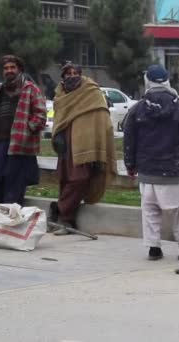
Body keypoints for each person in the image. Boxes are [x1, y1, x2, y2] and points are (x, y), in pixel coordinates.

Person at [123, 64, 179, 261]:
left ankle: (153, 248)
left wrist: (130, 164)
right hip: (174, 170)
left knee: (149, 210)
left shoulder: (137, 110)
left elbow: (129, 139)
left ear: (147, 82)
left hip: (147, 169)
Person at [0, 55, 47, 229]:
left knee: (13, 182)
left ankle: (7, 220)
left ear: (19, 69)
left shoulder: (30, 88)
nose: (9, 71)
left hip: (19, 144)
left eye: (12, 68)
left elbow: (41, 115)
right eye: (6, 68)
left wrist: (27, 129)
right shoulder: (2, 89)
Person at [48, 62, 117, 235]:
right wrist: (57, 136)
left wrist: (99, 144)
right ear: (63, 78)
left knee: (80, 178)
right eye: (68, 73)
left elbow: (103, 119)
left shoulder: (92, 93)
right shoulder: (60, 95)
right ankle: (66, 220)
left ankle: (61, 212)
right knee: (66, 179)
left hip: (87, 144)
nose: (72, 76)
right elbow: (58, 119)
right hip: (66, 144)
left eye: (75, 72)